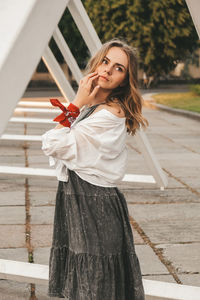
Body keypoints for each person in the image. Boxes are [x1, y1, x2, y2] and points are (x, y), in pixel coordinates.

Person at [41, 38, 148, 300]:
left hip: (94, 207)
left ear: (124, 80)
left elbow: (52, 143)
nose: (108, 70)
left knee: (96, 284)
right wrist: (82, 101)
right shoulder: (94, 106)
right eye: (106, 61)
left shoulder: (109, 115)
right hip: (78, 201)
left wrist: (76, 102)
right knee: (86, 283)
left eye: (119, 68)